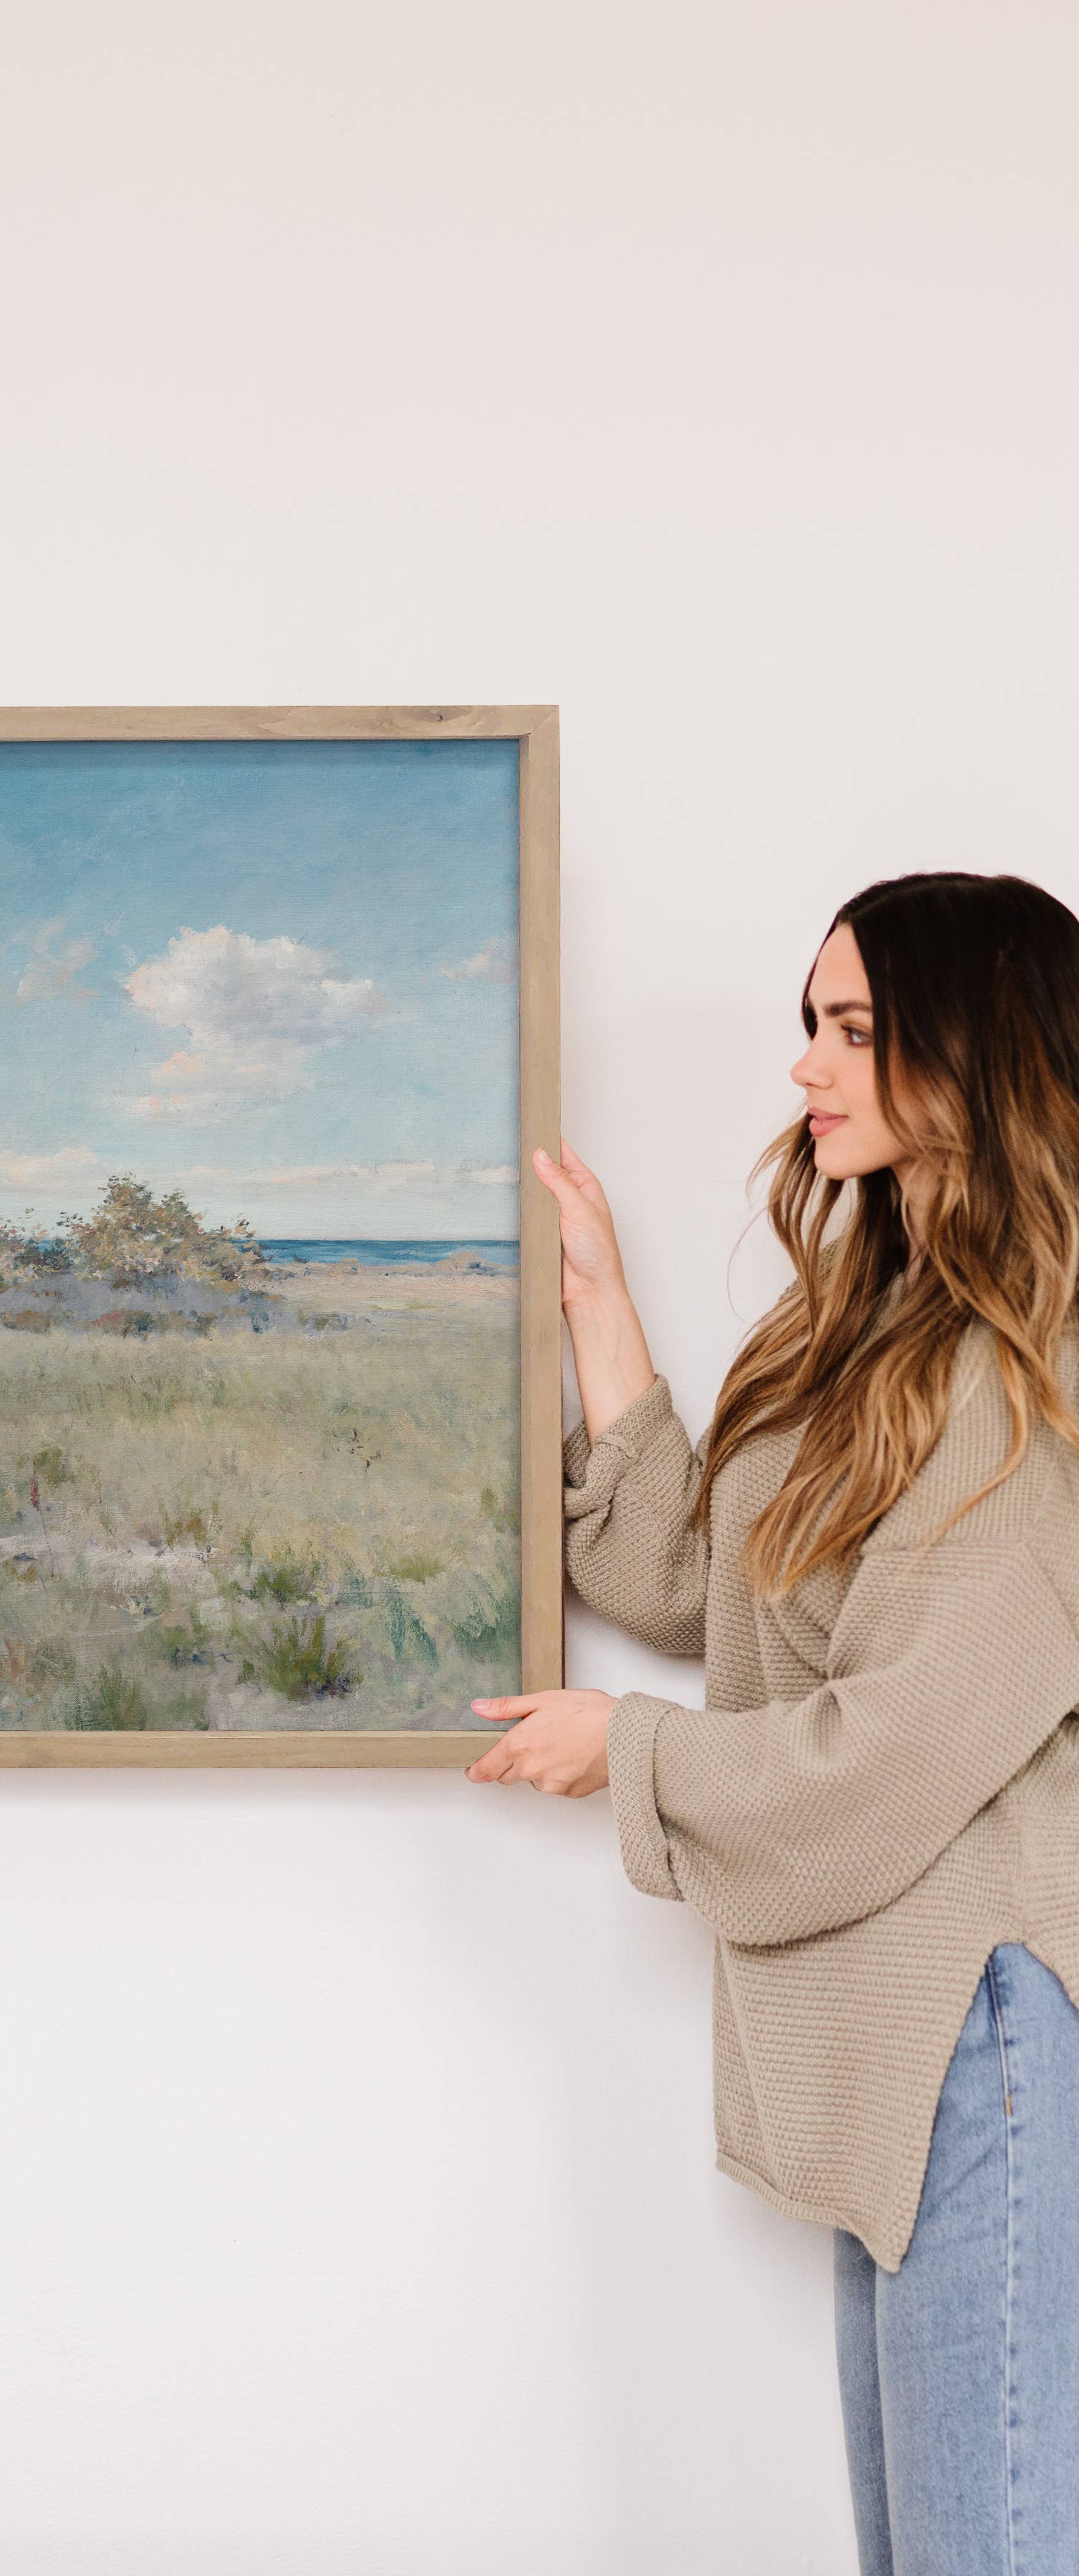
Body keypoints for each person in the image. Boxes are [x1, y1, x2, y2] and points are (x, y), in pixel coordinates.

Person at [468, 872, 1079, 2573]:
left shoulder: (1044, 1373)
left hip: (990, 2043)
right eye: (810, 1026)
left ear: (980, 1054)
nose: (810, 1068)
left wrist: (629, 1755)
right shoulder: (870, 1324)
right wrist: (598, 1302)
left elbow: (897, 1748)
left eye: (858, 1031)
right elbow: (703, 1584)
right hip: (899, 2047)